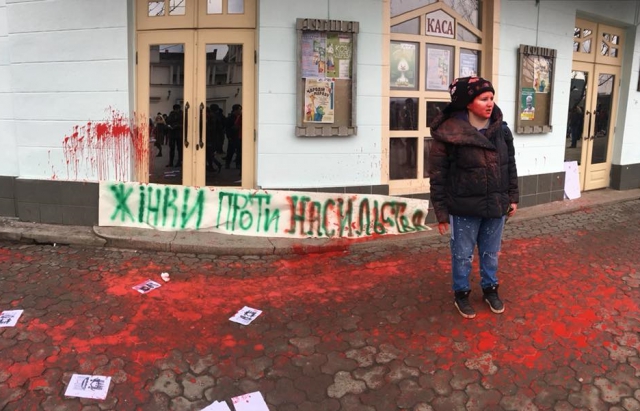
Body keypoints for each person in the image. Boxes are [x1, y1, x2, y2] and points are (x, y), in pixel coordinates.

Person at [427, 76, 519, 319]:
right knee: (462, 255)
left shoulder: (501, 130)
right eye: (483, 98)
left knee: (491, 253)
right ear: (468, 102)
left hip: (495, 205)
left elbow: (510, 165)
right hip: (464, 208)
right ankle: (461, 293)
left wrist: (512, 197)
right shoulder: (448, 133)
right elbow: (438, 176)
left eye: (491, 98)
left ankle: (490, 289)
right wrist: (441, 213)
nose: (490, 103)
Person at [225, 104, 242, 170]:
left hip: (239, 136)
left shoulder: (240, 117)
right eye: (239, 109)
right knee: (230, 151)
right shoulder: (230, 118)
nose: (240, 111)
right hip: (233, 136)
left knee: (239, 151)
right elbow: (227, 128)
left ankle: (238, 164)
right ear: (235, 110)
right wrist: (229, 136)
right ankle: (227, 163)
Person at [166, 104, 184, 168]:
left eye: (177, 109)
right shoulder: (171, 114)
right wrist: (169, 126)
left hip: (179, 133)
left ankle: (179, 162)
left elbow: (184, 124)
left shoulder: (182, 114)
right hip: (172, 133)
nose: (176, 110)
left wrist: (177, 126)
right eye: (175, 109)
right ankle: (171, 162)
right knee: (172, 148)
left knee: (179, 149)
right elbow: (168, 122)